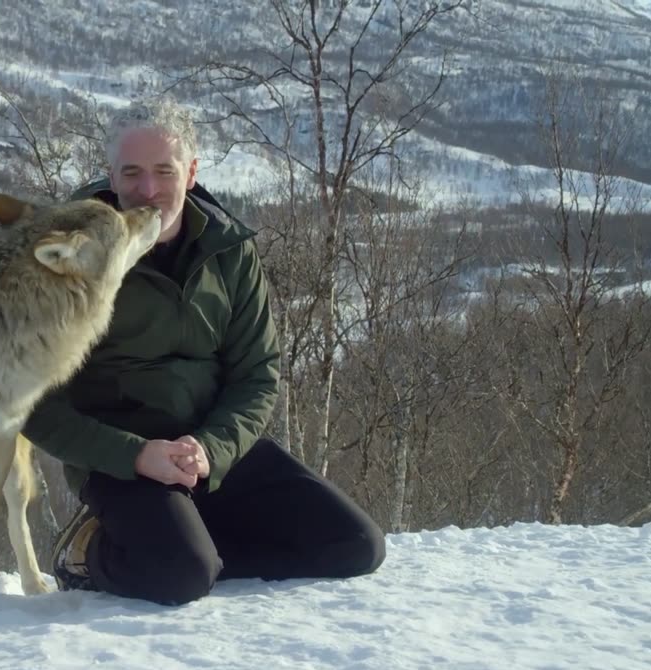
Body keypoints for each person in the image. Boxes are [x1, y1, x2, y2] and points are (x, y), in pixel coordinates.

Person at [21, 97, 386, 606]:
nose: (148, 191)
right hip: (122, 461)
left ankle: (193, 545)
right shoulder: (70, 256)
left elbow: (257, 373)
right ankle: (89, 553)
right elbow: (32, 403)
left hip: (210, 450)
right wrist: (134, 454)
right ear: (110, 175)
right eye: (132, 173)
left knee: (356, 546)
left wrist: (212, 449)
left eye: (164, 171)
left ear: (191, 173)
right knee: (182, 577)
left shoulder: (229, 250)